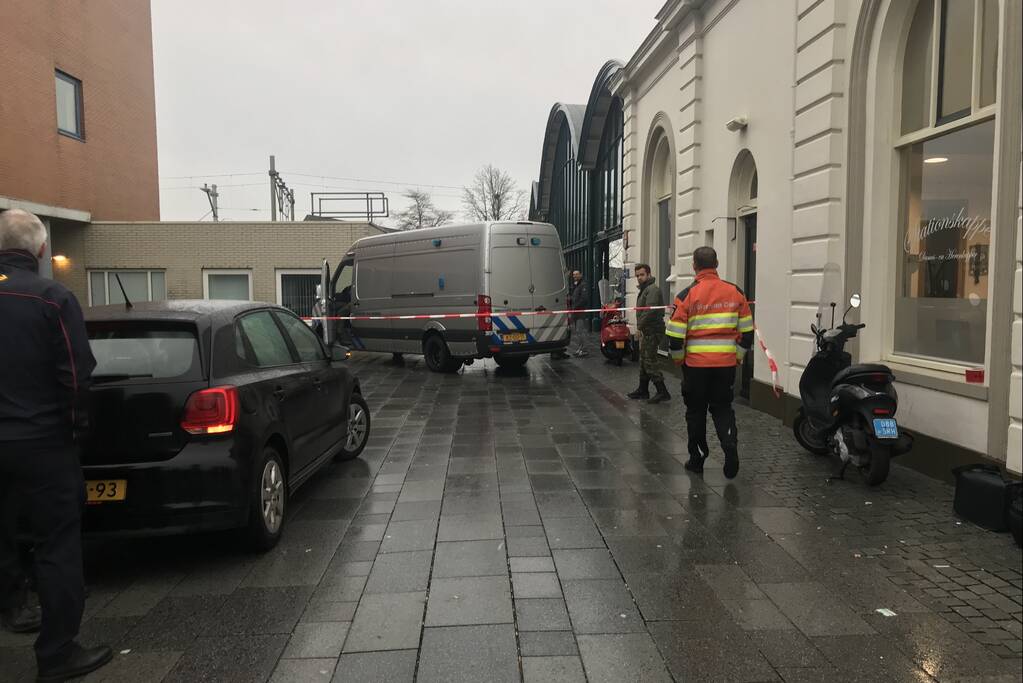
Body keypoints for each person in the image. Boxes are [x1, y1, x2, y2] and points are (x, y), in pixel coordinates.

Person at [0, 209, 112, 681]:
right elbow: (75, 375)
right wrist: (75, 435)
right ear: (41, 249)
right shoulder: (51, 299)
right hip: (42, 444)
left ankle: (11, 606)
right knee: (57, 545)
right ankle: (58, 652)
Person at [665, 246, 753, 479]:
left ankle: (697, 459)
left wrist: (678, 360)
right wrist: (738, 356)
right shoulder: (736, 292)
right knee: (723, 408)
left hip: (695, 367)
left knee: (695, 413)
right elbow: (747, 333)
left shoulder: (686, 295)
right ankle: (729, 445)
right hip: (725, 366)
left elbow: (674, 336)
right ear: (717, 263)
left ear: (694, 265)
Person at [627, 264, 670, 403]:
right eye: (637, 275)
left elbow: (649, 311)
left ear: (649, 274)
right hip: (647, 329)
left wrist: (639, 327)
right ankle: (643, 390)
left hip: (653, 330)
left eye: (642, 274)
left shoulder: (652, 290)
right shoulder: (645, 289)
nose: (639, 277)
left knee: (649, 360)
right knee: (644, 360)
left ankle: (662, 391)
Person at [567, 270, 589, 357]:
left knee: (580, 331)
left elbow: (584, 299)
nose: (575, 276)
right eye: (573, 274)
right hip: (575, 312)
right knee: (577, 331)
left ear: (581, 274)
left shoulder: (583, 285)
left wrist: (575, 307)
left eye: (577, 274)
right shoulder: (576, 285)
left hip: (580, 313)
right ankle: (580, 348)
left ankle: (584, 350)